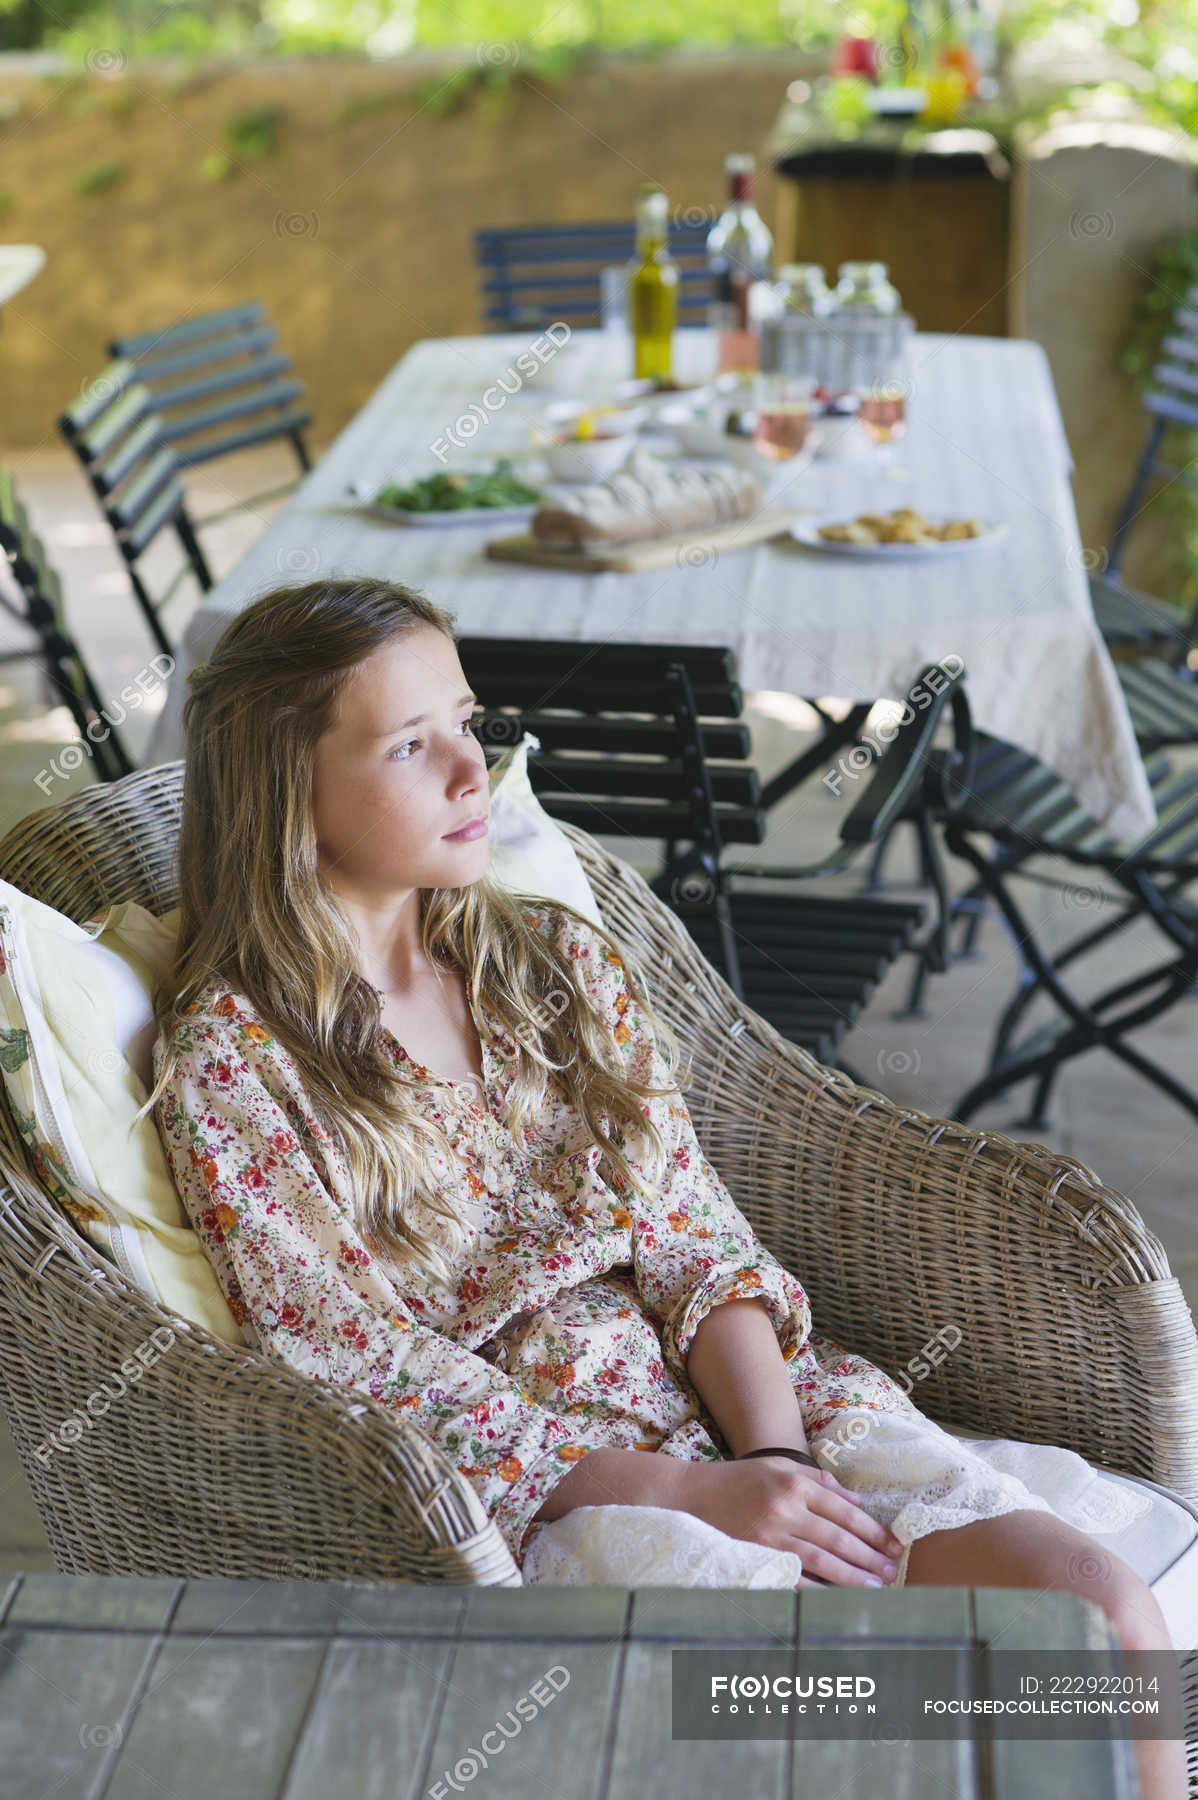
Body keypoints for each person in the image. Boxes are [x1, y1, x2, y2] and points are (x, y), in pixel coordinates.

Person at [145, 577, 1184, 1798]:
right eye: (409, 746)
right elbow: (357, 1361)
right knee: (901, 1725)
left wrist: (779, 1468)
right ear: (285, 787)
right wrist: (693, 1494)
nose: (473, 774)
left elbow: (692, 1232)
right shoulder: (237, 1059)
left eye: (467, 723)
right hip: (558, 1493)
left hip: (753, 1402)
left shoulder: (555, 964)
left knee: (1102, 1623)